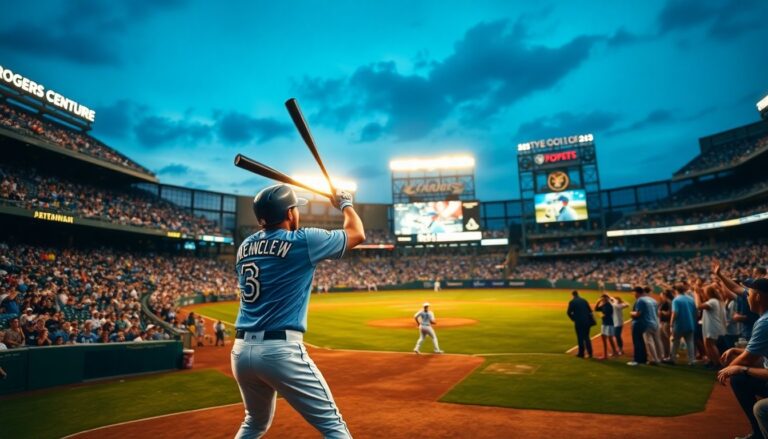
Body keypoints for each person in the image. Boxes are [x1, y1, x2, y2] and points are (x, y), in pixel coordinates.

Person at [231, 184, 364, 438]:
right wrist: (346, 203)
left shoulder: (244, 247)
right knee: (333, 426)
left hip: (240, 352)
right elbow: (357, 234)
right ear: (290, 213)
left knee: (254, 423)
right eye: (295, 208)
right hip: (280, 351)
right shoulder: (303, 241)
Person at [717, 278, 768, 439]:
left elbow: (747, 360)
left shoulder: (765, 322)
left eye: (750, 294)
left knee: (738, 378)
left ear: (758, 297)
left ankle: (759, 434)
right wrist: (736, 350)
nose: (747, 297)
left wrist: (727, 370)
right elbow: (757, 352)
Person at [696, 283, 726, 368]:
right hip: (712, 326)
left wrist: (696, 294)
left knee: (711, 345)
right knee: (708, 345)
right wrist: (700, 292)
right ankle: (712, 361)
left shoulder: (713, 301)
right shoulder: (717, 301)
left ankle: (717, 363)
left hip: (712, 326)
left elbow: (699, 306)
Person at [669, 284, 697, 365]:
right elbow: (695, 312)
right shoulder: (691, 299)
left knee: (675, 342)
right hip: (690, 323)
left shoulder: (676, 300)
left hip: (679, 324)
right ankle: (691, 361)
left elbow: (675, 313)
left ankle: (673, 359)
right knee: (690, 342)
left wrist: (671, 324)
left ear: (676, 290)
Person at [567, 290, 594, 359]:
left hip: (579, 322)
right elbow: (590, 311)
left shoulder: (572, 302)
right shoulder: (584, 300)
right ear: (578, 294)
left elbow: (569, 312)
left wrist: (573, 319)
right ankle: (590, 353)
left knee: (580, 337)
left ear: (572, 295)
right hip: (587, 321)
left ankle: (581, 353)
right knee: (587, 337)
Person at [627, 287, 647, 366]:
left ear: (637, 292)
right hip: (642, 323)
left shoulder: (640, 300)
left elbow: (638, 313)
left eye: (634, 292)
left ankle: (637, 360)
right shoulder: (645, 300)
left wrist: (631, 313)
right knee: (641, 342)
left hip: (638, 323)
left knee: (637, 342)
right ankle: (643, 359)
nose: (633, 294)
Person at [595, 294, 617, 359]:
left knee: (610, 338)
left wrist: (601, 315)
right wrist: (598, 302)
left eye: (604, 298)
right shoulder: (603, 305)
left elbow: (606, 315)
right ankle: (606, 354)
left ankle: (614, 352)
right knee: (604, 338)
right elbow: (596, 309)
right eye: (602, 298)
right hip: (604, 323)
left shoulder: (609, 305)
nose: (603, 299)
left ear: (606, 299)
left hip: (609, 324)